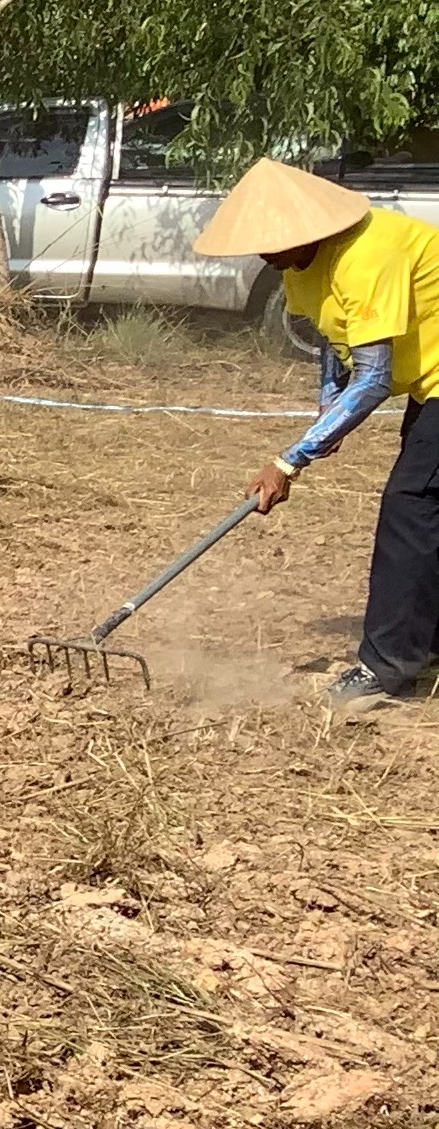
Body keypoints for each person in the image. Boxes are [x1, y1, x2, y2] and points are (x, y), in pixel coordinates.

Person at [197, 160, 439, 716]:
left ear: (305, 229)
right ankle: (425, 643)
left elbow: (376, 377)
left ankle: (385, 668)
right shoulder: (298, 268)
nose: (263, 255)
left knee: (413, 505)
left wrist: (288, 461)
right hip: (430, 386)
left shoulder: (369, 254)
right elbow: (335, 339)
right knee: (430, 507)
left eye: (271, 242)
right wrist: (329, 409)